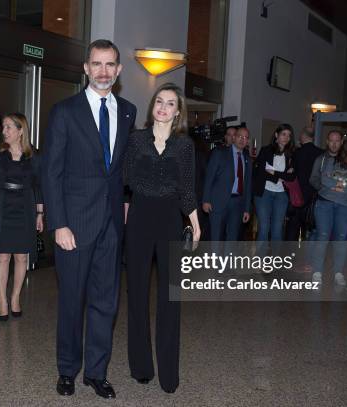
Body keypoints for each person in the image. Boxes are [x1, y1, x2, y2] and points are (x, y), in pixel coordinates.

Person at [42, 39, 137, 399]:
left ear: (119, 70)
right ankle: (67, 370)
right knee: (71, 300)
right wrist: (58, 223)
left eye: (110, 64)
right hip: (74, 225)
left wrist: (127, 201)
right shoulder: (65, 111)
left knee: (106, 302)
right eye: (96, 64)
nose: (103, 71)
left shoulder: (127, 111)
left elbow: (122, 167)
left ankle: (96, 373)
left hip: (112, 225)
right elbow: (51, 172)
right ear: (86, 68)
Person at [124, 83, 200, 394]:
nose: (163, 107)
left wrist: (195, 223)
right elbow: (125, 180)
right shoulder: (136, 139)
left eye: (170, 103)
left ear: (178, 112)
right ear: (153, 106)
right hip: (140, 218)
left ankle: (169, 373)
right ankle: (141, 366)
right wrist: (125, 216)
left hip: (170, 219)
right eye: (159, 101)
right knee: (137, 294)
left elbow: (186, 187)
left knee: (170, 299)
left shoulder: (184, 146)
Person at [0, 113, 43, 321]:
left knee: (21, 257)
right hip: (1, 207)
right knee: (3, 256)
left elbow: (39, 187)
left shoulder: (33, 155)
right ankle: (2, 300)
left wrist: (40, 214)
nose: (4, 131)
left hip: (25, 208)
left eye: (9, 127)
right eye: (4, 127)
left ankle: (15, 297)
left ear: (20, 131)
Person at [309, 132, 347, 286]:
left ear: (342, 142)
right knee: (322, 236)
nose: (334, 144)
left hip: (346, 206)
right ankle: (317, 271)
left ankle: (338, 272)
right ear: (327, 141)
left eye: (337, 141)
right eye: (331, 141)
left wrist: (338, 187)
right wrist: (342, 187)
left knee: (341, 239)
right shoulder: (326, 159)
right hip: (325, 203)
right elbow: (324, 179)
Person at [202, 127, 253, 241]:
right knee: (216, 238)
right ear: (234, 138)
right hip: (218, 202)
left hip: (237, 204)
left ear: (248, 141)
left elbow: (248, 185)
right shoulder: (219, 153)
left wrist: (247, 209)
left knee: (232, 239)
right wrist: (205, 200)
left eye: (246, 138)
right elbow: (209, 178)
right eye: (240, 136)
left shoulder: (247, 159)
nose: (242, 140)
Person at [252, 124, 296, 242]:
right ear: (276, 135)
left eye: (289, 135)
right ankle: (260, 260)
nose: (286, 138)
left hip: (281, 194)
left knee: (277, 230)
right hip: (264, 192)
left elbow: (291, 177)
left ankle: (276, 259)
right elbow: (260, 172)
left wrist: (274, 173)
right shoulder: (266, 150)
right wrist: (280, 177)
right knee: (264, 228)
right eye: (283, 134)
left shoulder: (292, 154)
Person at [285, 127, 323, 241]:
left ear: (303, 136)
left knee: (292, 228)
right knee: (310, 228)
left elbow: (291, 174)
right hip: (313, 196)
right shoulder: (321, 153)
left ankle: (289, 256)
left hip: (297, 195)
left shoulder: (297, 153)